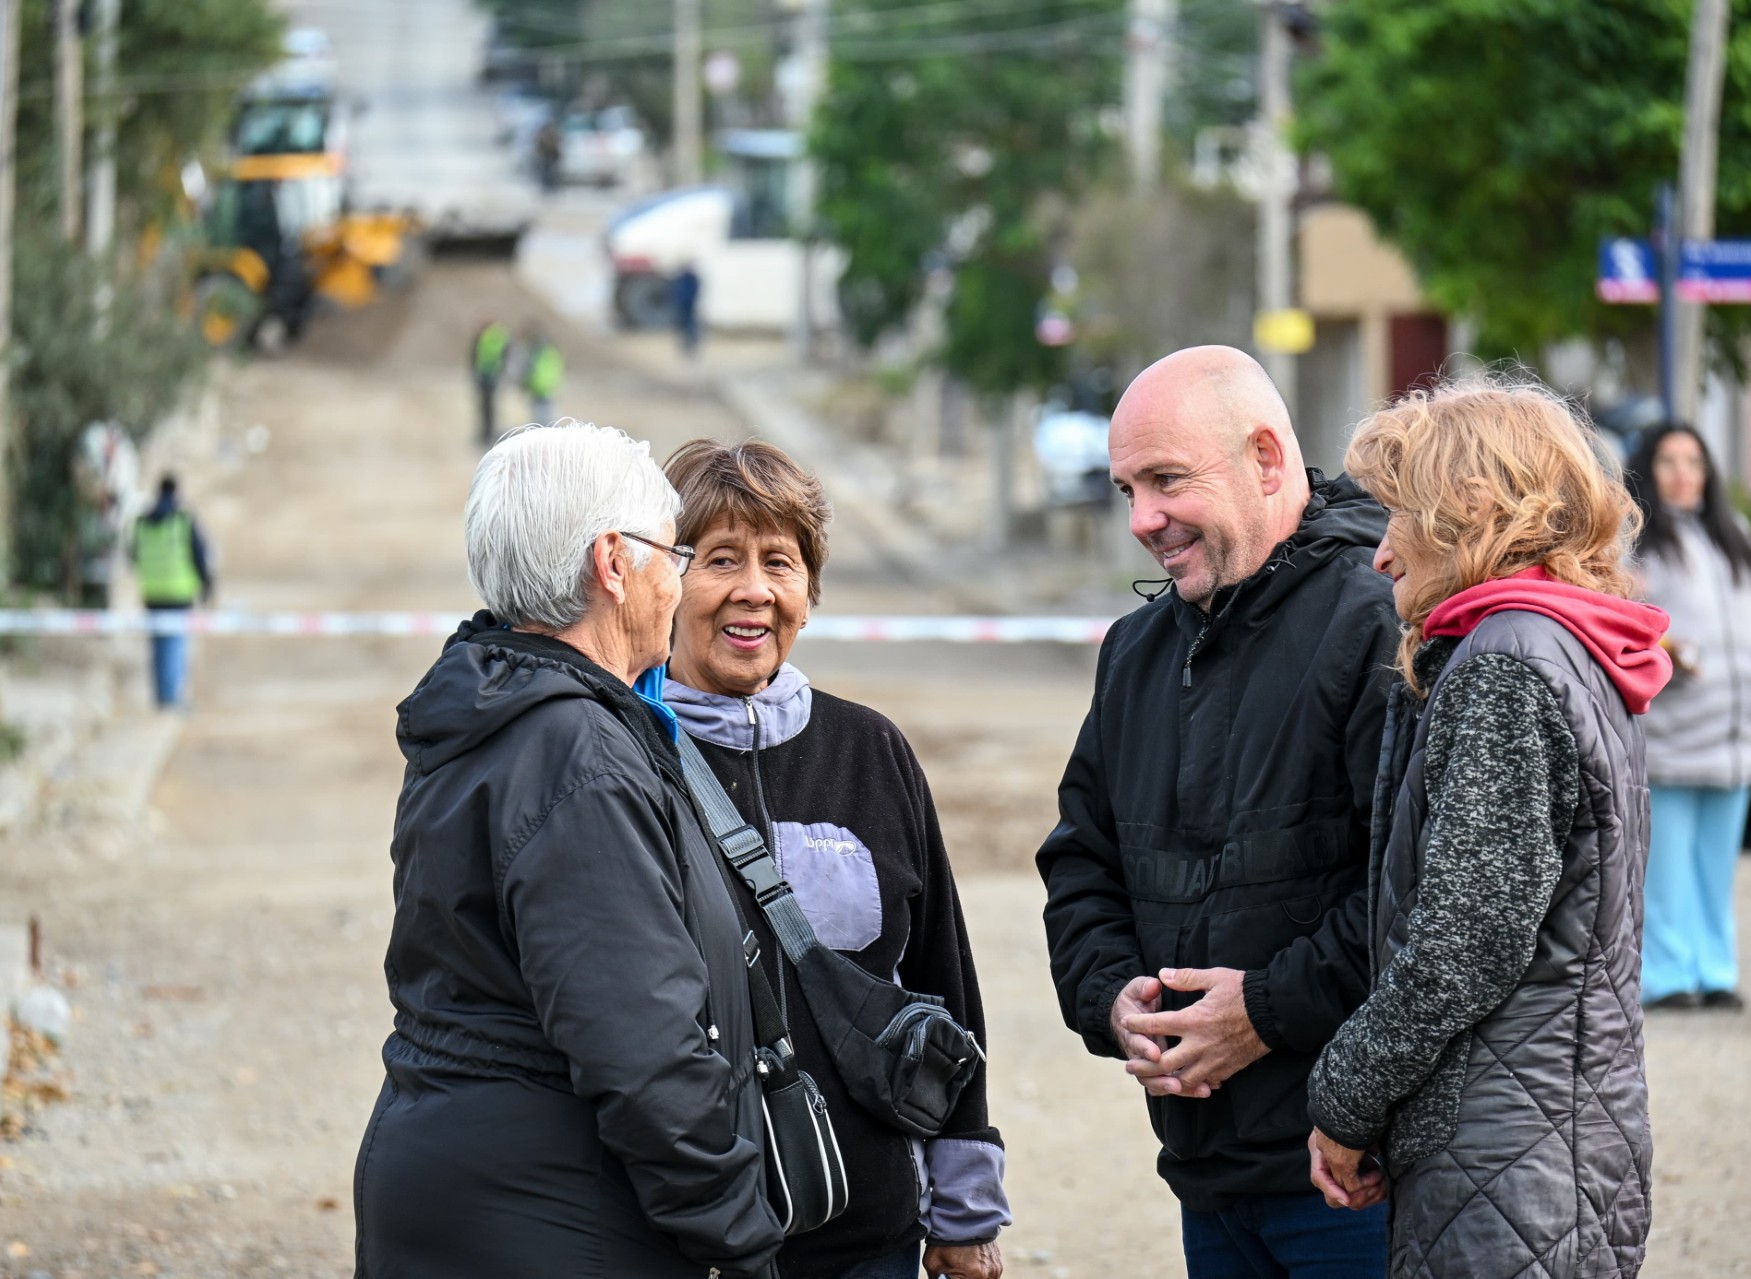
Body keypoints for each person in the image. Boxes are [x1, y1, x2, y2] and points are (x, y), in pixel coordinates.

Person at [353, 422, 783, 1278]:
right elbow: (643, 1052)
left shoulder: (491, 708)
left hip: (471, 1184)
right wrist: (740, 1235)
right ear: (613, 563)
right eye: (674, 552)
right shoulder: (577, 757)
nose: (679, 580)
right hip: (552, 1216)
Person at [1036, 345, 1400, 1278]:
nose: (1141, 520)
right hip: (1207, 1182)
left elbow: (1418, 896)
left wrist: (1263, 1013)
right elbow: (1081, 862)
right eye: (1127, 490)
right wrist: (1111, 997)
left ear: (1266, 459)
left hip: (1356, 1181)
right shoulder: (1135, 652)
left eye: (1166, 480)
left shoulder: (1379, 622)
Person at [1304, 378, 1664, 1279]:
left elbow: (1466, 940)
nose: (1381, 552)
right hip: (1550, 1133)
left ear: (1468, 507)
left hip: (1509, 1158)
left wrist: (1344, 1098)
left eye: (1398, 515)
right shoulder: (1567, 646)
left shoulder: (1506, 665)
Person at [661, 439, 1009, 1279]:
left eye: (779, 561)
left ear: (809, 593)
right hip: (684, 1235)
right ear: (664, 580)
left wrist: (964, 1205)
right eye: (720, 558)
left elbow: (943, 976)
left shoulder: (872, 750)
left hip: (867, 1232)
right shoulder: (626, 755)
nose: (754, 588)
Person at [1623, 424, 1751, 1012]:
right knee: (1666, 871)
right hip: (1672, 736)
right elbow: (1623, 616)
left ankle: (1715, 969)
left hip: (1736, 737)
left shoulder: (1736, 537)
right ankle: (1668, 976)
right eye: (1669, 460)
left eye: (1693, 461)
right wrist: (1671, 655)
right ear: (1648, 468)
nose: (1683, 472)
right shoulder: (1634, 543)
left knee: (1716, 869)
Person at [130, 474, 214, 708]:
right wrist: (207, 584)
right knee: (174, 645)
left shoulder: (142, 521)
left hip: (151, 592)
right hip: (178, 593)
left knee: (158, 645)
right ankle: (172, 698)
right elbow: (199, 555)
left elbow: (133, 555)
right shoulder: (182, 520)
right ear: (176, 492)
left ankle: (161, 695)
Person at [471, 319, 512, 444]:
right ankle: (492, 432)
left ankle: (486, 433)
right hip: (495, 375)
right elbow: (506, 355)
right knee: (492, 406)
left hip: (484, 375)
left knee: (485, 406)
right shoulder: (501, 336)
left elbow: (474, 356)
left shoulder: (482, 337)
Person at [522, 327, 563, 425]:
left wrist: (526, 383)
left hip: (540, 386)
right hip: (547, 387)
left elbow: (531, 370)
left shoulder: (537, 354)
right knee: (546, 414)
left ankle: (543, 430)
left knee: (541, 415)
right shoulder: (553, 353)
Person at [673, 264, 702, 358]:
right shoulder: (683, 278)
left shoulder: (691, 278)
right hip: (683, 305)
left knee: (690, 323)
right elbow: (676, 291)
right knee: (684, 323)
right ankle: (686, 342)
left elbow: (695, 290)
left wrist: (691, 300)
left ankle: (691, 341)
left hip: (689, 304)